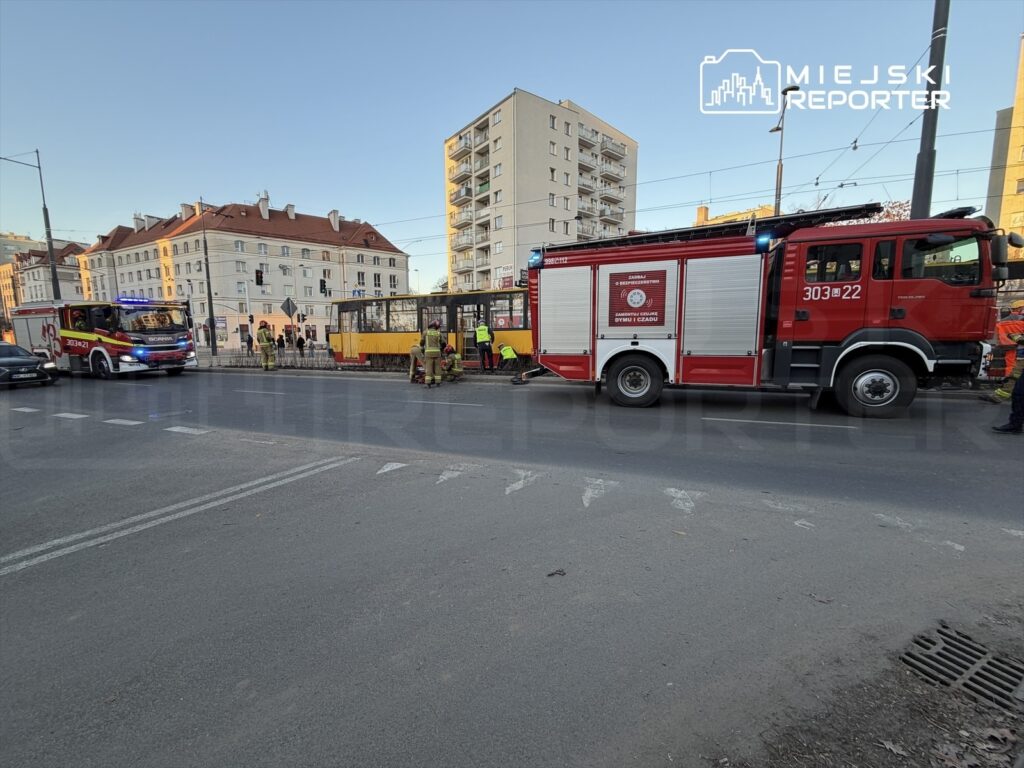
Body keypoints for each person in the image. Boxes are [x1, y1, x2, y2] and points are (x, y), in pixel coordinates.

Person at [981, 301, 1024, 404]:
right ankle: (1000, 395)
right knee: (1014, 375)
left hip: (1010, 349)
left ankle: (999, 395)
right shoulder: (1017, 321)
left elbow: (991, 347)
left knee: (1013, 375)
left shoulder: (1005, 322)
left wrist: (988, 364)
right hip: (1015, 350)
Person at [421, 320, 443, 388]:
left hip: (428, 353)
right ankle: (438, 382)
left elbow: (422, 342)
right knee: (437, 368)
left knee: (429, 368)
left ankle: (428, 383)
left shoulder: (425, 332)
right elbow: (443, 343)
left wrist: (422, 347)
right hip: (437, 353)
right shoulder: (438, 333)